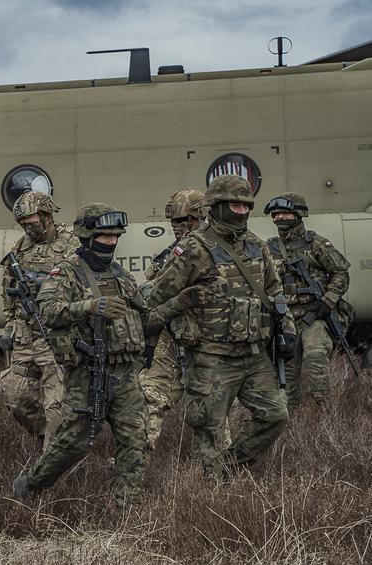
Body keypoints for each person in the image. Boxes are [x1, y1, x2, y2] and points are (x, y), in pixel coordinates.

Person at [11, 203, 192, 508]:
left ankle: (126, 508)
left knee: (134, 439)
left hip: (125, 374)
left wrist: (177, 304)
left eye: (115, 236)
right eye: (103, 236)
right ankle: (29, 484)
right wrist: (90, 307)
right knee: (74, 443)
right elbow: (49, 311)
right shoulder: (67, 272)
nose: (110, 242)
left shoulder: (120, 275)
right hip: (87, 372)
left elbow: (143, 318)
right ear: (86, 236)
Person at [145, 175, 296, 480]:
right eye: (235, 205)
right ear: (216, 206)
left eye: (246, 205)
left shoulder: (256, 245)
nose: (241, 211)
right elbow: (152, 300)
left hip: (254, 355)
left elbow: (275, 292)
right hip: (211, 357)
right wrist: (181, 308)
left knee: (275, 415)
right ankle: (213, 498)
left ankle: (229, 467)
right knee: (209, 431)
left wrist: (288, 329)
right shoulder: (192, 249)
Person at [0, 191, 79, 447]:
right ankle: (54, 441)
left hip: (58, 334)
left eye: (31, 222)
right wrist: (10, 325)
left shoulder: (71, 244)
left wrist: (48, 284)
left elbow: (84, 283)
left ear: (46, 215)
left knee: (56, 402)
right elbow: (8, 290)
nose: (27, 228)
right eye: (23, 224)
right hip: (26, 334)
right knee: (15, 394)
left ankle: (51, 462)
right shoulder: (20, 249)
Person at [265, 193, 352, 406]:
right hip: (285, 320)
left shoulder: (316, 243)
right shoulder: (268, 248)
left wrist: (328, 300)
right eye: (275, 215)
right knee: (288, 373)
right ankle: (294, 423)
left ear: (297, 214)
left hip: (314, 316)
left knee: (315, 358)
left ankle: (322, 411)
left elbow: (341, 273)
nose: (279, 218)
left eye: (284, 213)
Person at [138, 189, 209, 450]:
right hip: (171, 333)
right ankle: (136, 461)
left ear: (200, 217)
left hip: (208, 338)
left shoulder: (218, 250)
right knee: (150, 394)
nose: (177, 227)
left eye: (184, 221)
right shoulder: (171, 255)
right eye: (174, 222)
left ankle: (218, 469)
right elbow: (149, 292)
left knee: (210, 406)